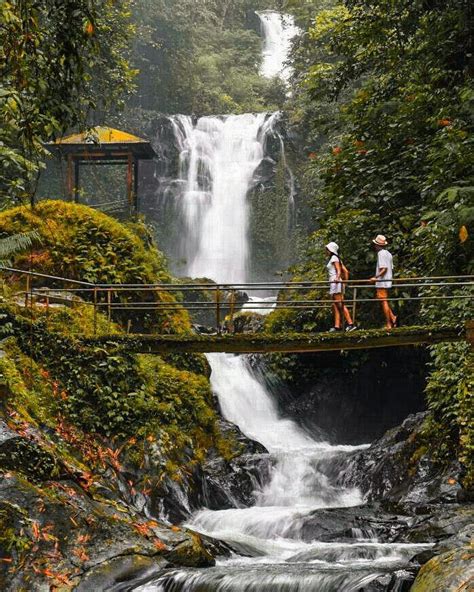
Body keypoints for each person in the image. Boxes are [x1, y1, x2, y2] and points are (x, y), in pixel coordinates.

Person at [325, 242, 356, 332]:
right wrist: (344, 283)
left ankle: (351, 324)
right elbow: (346, 271)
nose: (326, 251)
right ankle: (337, 325)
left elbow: (339, 270)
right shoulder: (336, 258)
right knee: (335, 304)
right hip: (335, 282)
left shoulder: (334, 258)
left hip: (335, 282)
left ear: (331, 250)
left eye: (327, 249)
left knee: (340, 304)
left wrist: (338, 279)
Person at [370, 234, 397, 329]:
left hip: (382, 281)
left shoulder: (380, 254)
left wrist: (375, 277)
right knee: (384, 300)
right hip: (387, 280)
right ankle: (392, 317)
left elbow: (384, 269)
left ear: (377, 245)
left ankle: (389, 323)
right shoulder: (388, 254)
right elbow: (390, 268)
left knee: (384, 302)